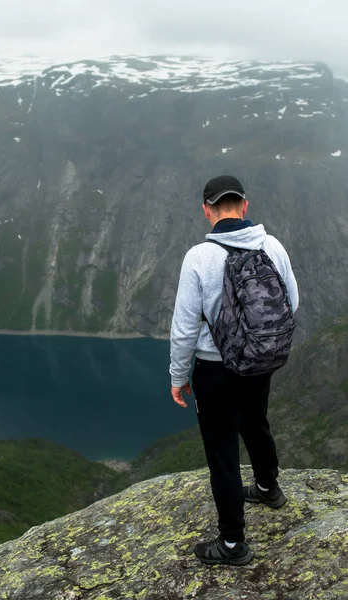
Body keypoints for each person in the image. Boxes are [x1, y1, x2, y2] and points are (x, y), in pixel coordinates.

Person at [169, 175, 299, 566]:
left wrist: (178, 377)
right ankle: (267, 487)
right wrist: (261, 344)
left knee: (222, 451)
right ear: (244, 206)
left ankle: (231, 544)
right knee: (256, 421)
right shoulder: (271, 245)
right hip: (260, 363)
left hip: (215, 369)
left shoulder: (199, 257)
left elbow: (184, 327)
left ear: (207, 211)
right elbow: (291, 301)